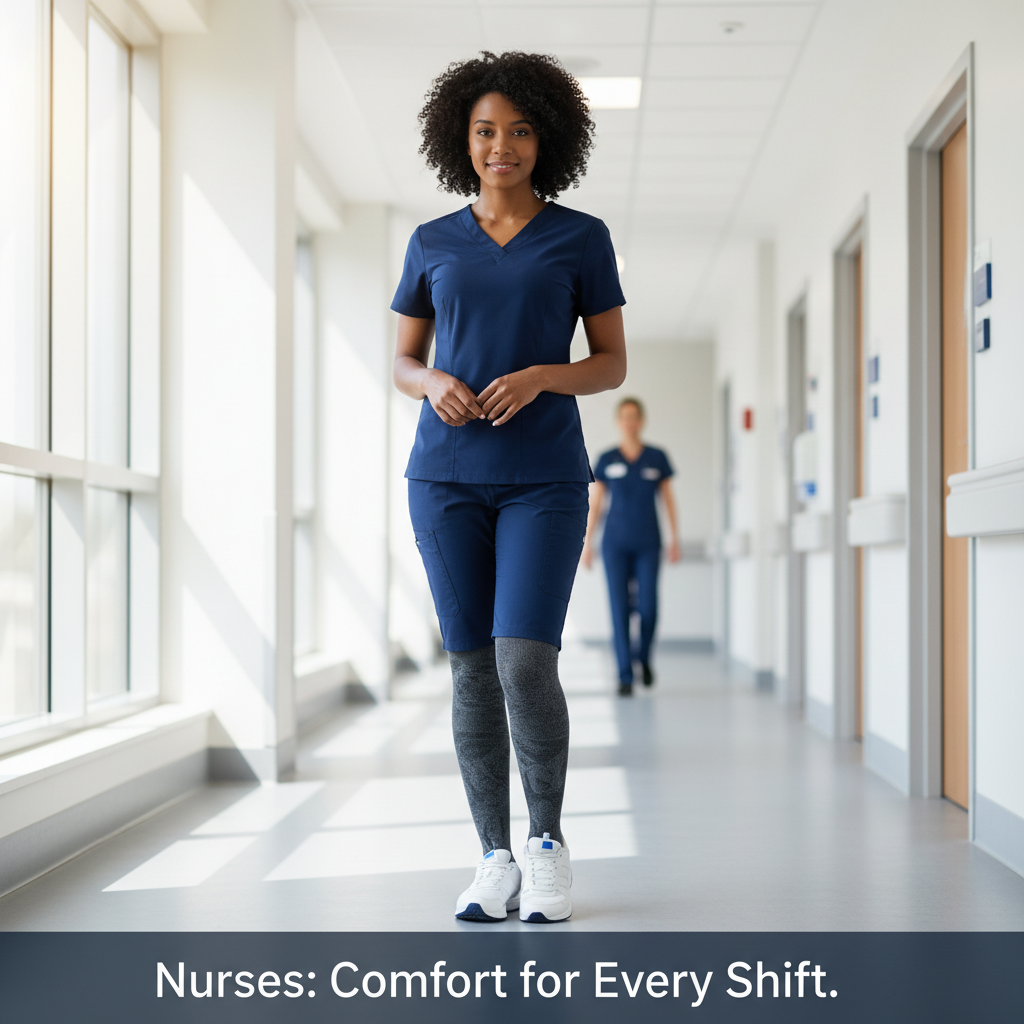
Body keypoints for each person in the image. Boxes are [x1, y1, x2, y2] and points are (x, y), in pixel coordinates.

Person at [391, 52, 626, 924]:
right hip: (446, 478)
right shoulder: (431, 242)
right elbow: (403, 358)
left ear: (546, 139)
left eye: (520, 130)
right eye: (486, 131)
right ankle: (493, 855)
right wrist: (428, 384)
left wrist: (540, 377)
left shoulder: (580, 237)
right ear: (463, 139)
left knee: (524, 660)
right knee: (470, 671)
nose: (502, 146)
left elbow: (610, 364)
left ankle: (549, 844)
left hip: (544, 480)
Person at [582, 398, 680, 696]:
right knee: (619, 608)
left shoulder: (656, 457)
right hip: (614, 544)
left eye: (634, 416)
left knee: (648, 608)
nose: (630, 422)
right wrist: (588, 543)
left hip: (649, 543)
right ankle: (625, 674)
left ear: (642, 420)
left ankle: (644, 658)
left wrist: (675, 538)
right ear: (618, 421)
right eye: (624, 417)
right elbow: (597, 503)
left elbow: (668, 500)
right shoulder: (607, 459)